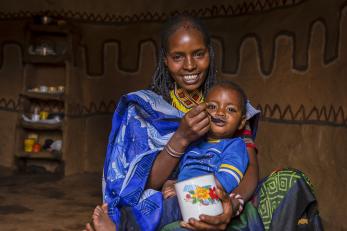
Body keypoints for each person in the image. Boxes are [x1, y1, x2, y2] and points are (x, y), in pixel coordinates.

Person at [85, 15, 321, 231]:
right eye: (178, 57)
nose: (190, 65)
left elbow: (249, 167)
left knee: (292, 180)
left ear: (210, 53)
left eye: (198, 54)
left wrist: (232, 204)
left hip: (225, 195)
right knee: (151, 210)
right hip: (170, 204)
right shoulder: (145, 110)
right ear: (165, 60)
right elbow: (142, 184)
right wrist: (181, 138)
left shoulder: (229, 102)